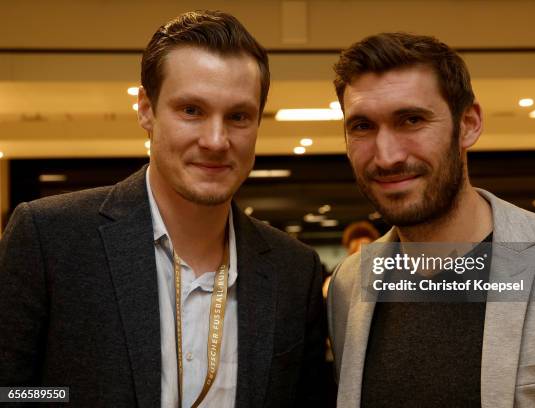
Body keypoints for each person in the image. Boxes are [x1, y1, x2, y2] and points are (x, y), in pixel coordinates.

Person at [0, 10, 325, 408]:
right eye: (192, 111)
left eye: (238, 116)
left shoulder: (294, 270)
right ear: (146, 109)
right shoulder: (50, 239)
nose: (216, 140)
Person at [327, 32, 535, 407]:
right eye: (362, 126)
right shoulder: (350, 283)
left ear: (469, 124)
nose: (387, 156)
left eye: (411, 120)